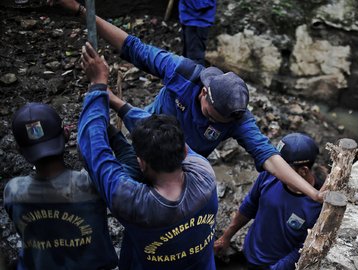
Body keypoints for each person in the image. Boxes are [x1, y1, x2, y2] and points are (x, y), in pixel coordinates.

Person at [49, 0, 324, 203]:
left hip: (179, 166)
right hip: (144, 134)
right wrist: (82, 13)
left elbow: (268, 156)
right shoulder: (183, 72)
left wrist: (311, 191)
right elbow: (133, 47)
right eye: (209, 112)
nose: (209, 118)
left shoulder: (238, 120)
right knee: (104, 168)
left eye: (218, 121)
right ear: (204, 91)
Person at [77, 42, 218, 269]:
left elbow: (94, 151)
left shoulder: (134, 204)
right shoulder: (204, 173)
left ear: (141, 163)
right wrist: (118, 104)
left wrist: (97, 88)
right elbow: (151, 133)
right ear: (184, 151)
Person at [3, 102, 118, 270]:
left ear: (19, 150)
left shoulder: (12, 191)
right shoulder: (90, 184)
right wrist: (111, 134)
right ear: (66, 134)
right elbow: (127, 172)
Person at [214, 133, 324, 270]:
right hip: (250, 253)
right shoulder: (269, 175)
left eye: (282, 166)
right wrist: (227, 236)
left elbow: (303, 247)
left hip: (276, 265)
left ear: (303, 170)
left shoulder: (318, 205)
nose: (276, 169)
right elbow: (250, 205)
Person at [178, 0, 216, 65]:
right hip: (189, 20)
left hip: (197, 22)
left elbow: (201, 4)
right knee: (188, 57)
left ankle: (197, 74)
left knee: (195, 59)